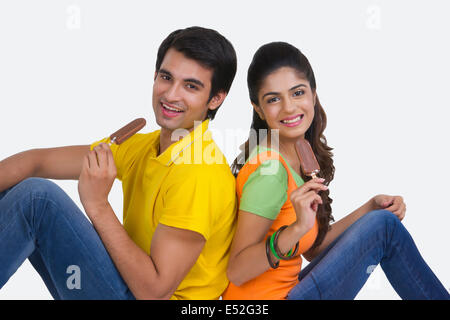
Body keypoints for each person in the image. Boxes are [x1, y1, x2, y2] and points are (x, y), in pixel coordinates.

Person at [0, 26, 238, 300]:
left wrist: (98, 205)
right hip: (123, 286)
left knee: (38, 199)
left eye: (191, 86)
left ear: (216, 98)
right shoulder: (143, 146)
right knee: (13, 192)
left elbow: (155, 293)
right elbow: (37, 162)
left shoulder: (200, 173)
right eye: (166, 77)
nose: (171, 95)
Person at [223, 41, 449, 300]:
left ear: (313, 94)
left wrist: (369, 209)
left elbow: (312, 250)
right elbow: (237, 271)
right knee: (384, 227)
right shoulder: (269, 170)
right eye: (274, 99)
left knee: (380, 221)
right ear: (258, 109)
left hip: (289, 291)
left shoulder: (298, 152)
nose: (289, 107)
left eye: (297, 93)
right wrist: (295, 230)